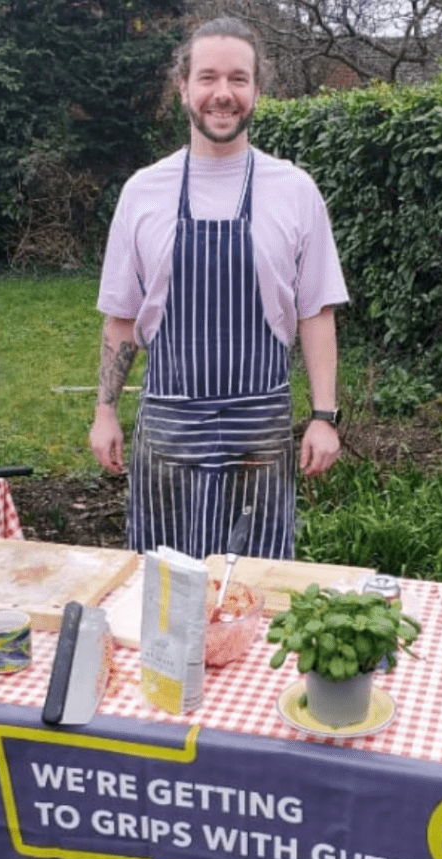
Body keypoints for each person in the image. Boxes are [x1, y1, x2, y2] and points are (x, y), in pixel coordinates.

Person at [89, 16, 348, 560]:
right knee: (162, 595)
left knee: (253, 590)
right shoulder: (143, 192)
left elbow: (316, 313)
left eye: (238, 78)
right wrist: (106, 411)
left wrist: (324, 418)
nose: (223, 94)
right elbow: (121, 316)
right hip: (168, 432)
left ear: (257, 89)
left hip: (260, 434)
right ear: (183, 86)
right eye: (208, 77)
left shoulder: (295, 191)